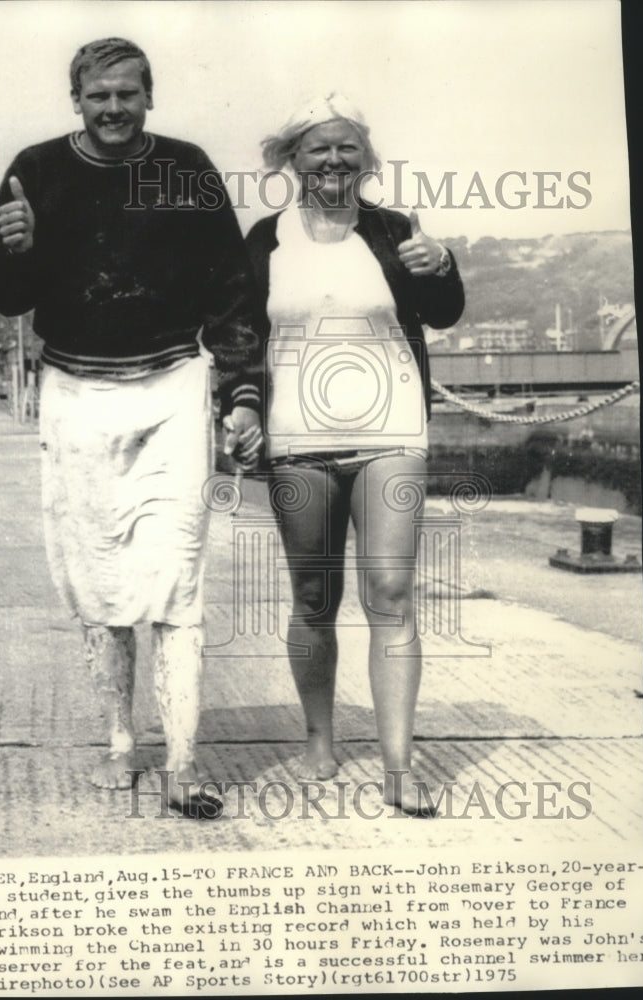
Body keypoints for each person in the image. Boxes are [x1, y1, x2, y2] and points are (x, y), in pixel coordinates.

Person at [0, 37, 262, 818]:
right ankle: (118, 743)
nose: (112, 109)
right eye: (97, 96)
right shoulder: (33, 168)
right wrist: (10, 255)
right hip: (74, 393)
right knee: (99, 588)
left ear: (148, 96)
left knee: (176, 582)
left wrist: (241, 395)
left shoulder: (188, 167)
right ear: (76, 100)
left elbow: (233, 292)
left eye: (126, 94)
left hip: (171, 385)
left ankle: (183, 761)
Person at [245, 95, 464, 815]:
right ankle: (318, 737)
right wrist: (239, 409)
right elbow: (238, 339)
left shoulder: (394, 230)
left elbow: (441, 311)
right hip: (297, 438)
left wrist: (440, 266)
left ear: (365, 160)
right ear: (290, 160)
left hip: (392, 431)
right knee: (314, 600)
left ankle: (399, 767)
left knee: (392, 595)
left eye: (346, 148)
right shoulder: (263, 239)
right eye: (316, 149)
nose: (332, 160)